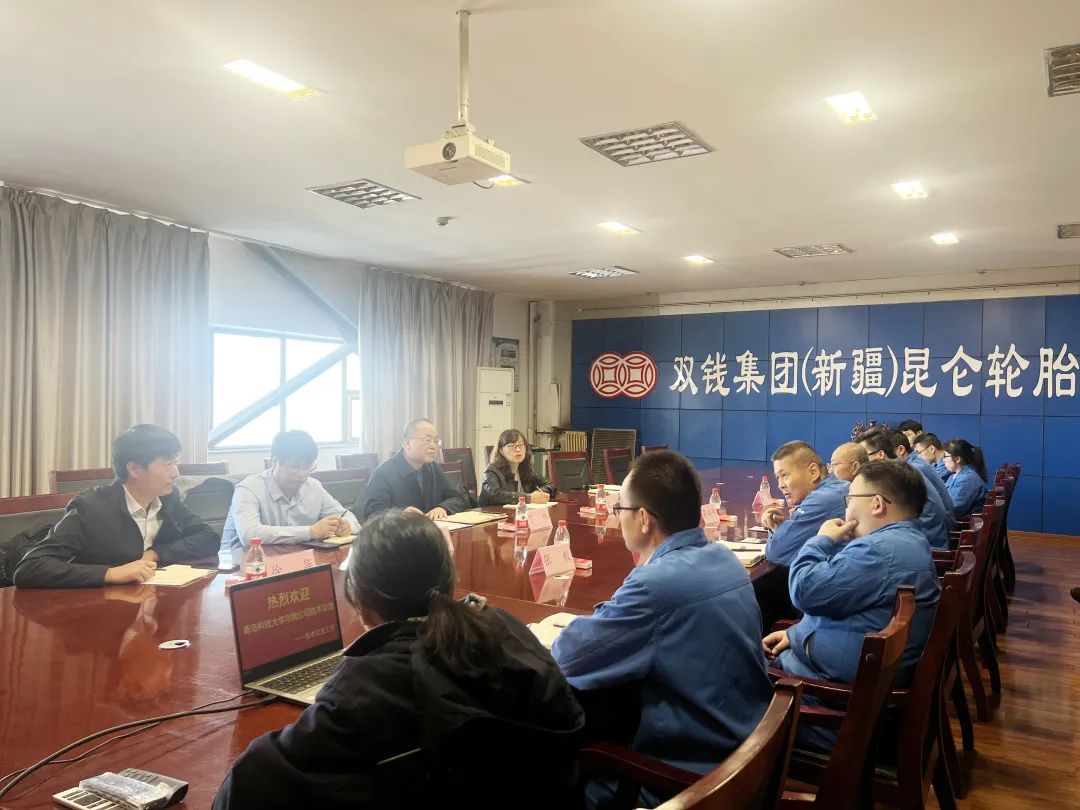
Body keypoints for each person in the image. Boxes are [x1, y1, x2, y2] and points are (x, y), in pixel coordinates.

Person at [213, 511, 585, 809]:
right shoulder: (503, 627)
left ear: (361, 598)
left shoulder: (367, 684)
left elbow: (259, 777)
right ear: (449, 578)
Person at [552, 451, 771, 807]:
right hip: (747, 756)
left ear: (643, 519)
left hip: (696, 783)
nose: (617, 517)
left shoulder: (654, 586)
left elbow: (568, 658)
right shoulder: (724, 558)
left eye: (620, 509)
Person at [763, 460, 941, 748]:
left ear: (877, 504)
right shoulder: (907, 540)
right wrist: (796, 635)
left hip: (830, 708)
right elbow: (847, 606)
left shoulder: (878, 552)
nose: (846, 510)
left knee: (729, 675)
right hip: (855, 689)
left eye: (850, 500)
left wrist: (821, 540)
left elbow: (803, 590)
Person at [13, 425, 218, 589]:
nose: (175, 473)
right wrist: (110, 573)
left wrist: (156, 554)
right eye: (167, 464)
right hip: (97, 611)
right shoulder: (91, 506)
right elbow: (31, 567)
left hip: (151, 603)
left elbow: (208, 537)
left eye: (175, 462)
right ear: (134, 469)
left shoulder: (167, 498)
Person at [220, 430, 360, 550]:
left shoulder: (314, 487)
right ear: (274, 462)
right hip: (241, 565)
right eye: (294, 466)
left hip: (290, 561)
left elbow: (348, 517)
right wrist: (310, 532)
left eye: (307, 467)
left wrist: (346, 526)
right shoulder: (249, 488)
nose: (301, 473)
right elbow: (249, 534)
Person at [859, 429, 952, 549]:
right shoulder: (899, 469)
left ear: (881, 455)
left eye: (864, 457)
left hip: (928, 545)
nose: (862, 463)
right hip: (925, 539)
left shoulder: (900, 475)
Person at [362, 419, 470, 520]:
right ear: (407, 443)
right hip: (399, 532)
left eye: (436, 441)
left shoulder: (433, 468)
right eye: (427, 440)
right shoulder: (383, 473)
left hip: (431, 530)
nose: (433, 446)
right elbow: (373, 512)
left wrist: (442, 508)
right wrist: (400, 514)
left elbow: (457, 498)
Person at [478, 429, 555, 506]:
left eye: (520, 445)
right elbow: (494, 495)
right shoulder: (491, 471)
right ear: (501, 451)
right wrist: (529, 498)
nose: (518, 449)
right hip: (494, 512)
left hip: (521, 512)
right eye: (511, 446)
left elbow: (550, 485)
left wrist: (538, 493)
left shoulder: (525, 469)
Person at [889, 430, 955, 516]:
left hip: (939, 520)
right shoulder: (915, 464)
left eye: (919, 452)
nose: (919, 456)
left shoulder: (915, 467)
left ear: (901, 449)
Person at [943, 439, 989, 518]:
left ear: (958, 459)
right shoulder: (955, 476)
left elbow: (954, 508)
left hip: (962, 523)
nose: (943, 460)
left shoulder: (967, 479)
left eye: (945, 456)